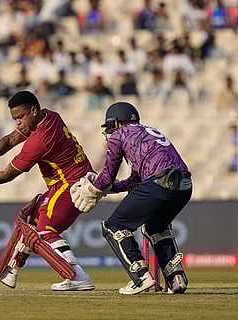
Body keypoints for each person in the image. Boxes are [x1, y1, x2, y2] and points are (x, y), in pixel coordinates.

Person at [0, 91, 96, 291]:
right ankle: (10, 270)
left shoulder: (39, 141)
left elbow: (8, 174)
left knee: (45, 232)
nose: (17, 123)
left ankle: (78, 276)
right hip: (66, 182)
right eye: (14, 118)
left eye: (20, 117)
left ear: (33, 111)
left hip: (70, 185)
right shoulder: (49, 116)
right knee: (29, 223)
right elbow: (10, 140)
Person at [70, 102, 192, 295]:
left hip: (158, 182)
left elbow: (107, 177)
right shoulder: (148, 132)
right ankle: (176, 278)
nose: (110, 132)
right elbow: (135, 179)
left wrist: (95, 187)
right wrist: (109, 189)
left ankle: (141, 276)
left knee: (114, 226)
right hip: (184, 185)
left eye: (110, 127)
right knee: (156, 226)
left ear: (117, 122)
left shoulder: (119, 135)